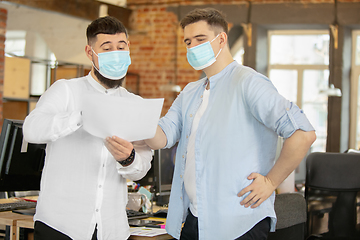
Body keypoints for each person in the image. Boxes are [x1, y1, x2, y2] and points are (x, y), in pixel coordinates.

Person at [145, 8, 316, 240]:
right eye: (188, 41)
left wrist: (270, 181)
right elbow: (162, 137)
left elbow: (303, 134)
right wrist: (134, 117)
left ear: (221, 39)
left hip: (240, 223)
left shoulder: (248, 82)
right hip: (195, 219)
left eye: (200, 39)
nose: (192, 47)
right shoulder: (190, 92)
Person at [23, 16, 153, 240]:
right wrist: (81, 116)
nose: (115, 53)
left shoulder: (135, 104)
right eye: (106, 47)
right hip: (60, 226)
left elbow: (142, 168)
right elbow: (32, 129)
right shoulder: (66, 90)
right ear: (89, 51)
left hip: (111, 229)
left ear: (128, 48)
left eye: (121, 47)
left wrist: (128, 158)